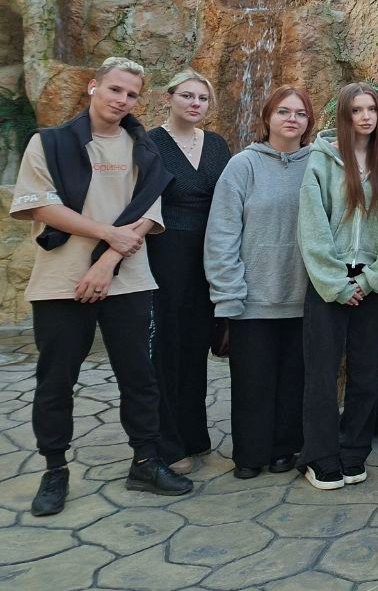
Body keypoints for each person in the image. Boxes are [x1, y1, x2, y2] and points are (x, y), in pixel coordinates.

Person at [13, 57, 191, 516]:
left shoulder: (143, 149)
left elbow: (150, 212)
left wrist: (109, 259)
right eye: (115, 89)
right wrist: (108, 234)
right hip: (61, 280)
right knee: (56, 380)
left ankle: (146, 461)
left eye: (131, 94)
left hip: (128, 278)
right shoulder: (49, 142)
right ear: (93, 86)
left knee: (139, 376)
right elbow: (41, 206)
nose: (122, 100)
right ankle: (55, 469)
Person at [205, 85, 314, 479]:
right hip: (252, 297)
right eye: (283, 111)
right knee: (252, 381)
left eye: (300, 113)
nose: (291, 119)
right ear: (267, 118)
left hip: (305, 296)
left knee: (294, 380)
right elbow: (222, 233)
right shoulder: (243, 165)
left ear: (309, 122)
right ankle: (249, 454)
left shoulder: (317, 164)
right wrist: (228, 293)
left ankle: (284, 449)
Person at [296, 83, 378, 490]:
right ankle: (320, 456)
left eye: (371, 109)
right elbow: (312, 224)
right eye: (357, 110)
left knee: (365, 373)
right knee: (321, 373)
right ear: (345, 115)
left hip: (371, 282)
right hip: (328, 283)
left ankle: (354, 451)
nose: (365, 117)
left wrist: (373, 278)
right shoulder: (321, 158)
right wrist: (336, 282)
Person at [146, 70, 231, 474]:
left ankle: (194, 434)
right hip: (165, 253)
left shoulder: (216, 144)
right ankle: (165, 441)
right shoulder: (150, 143)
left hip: (209, 255)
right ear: (169, 98)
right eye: (187, 96)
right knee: (167, 345)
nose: (195, 103)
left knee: (197, 344)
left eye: (202, 98)